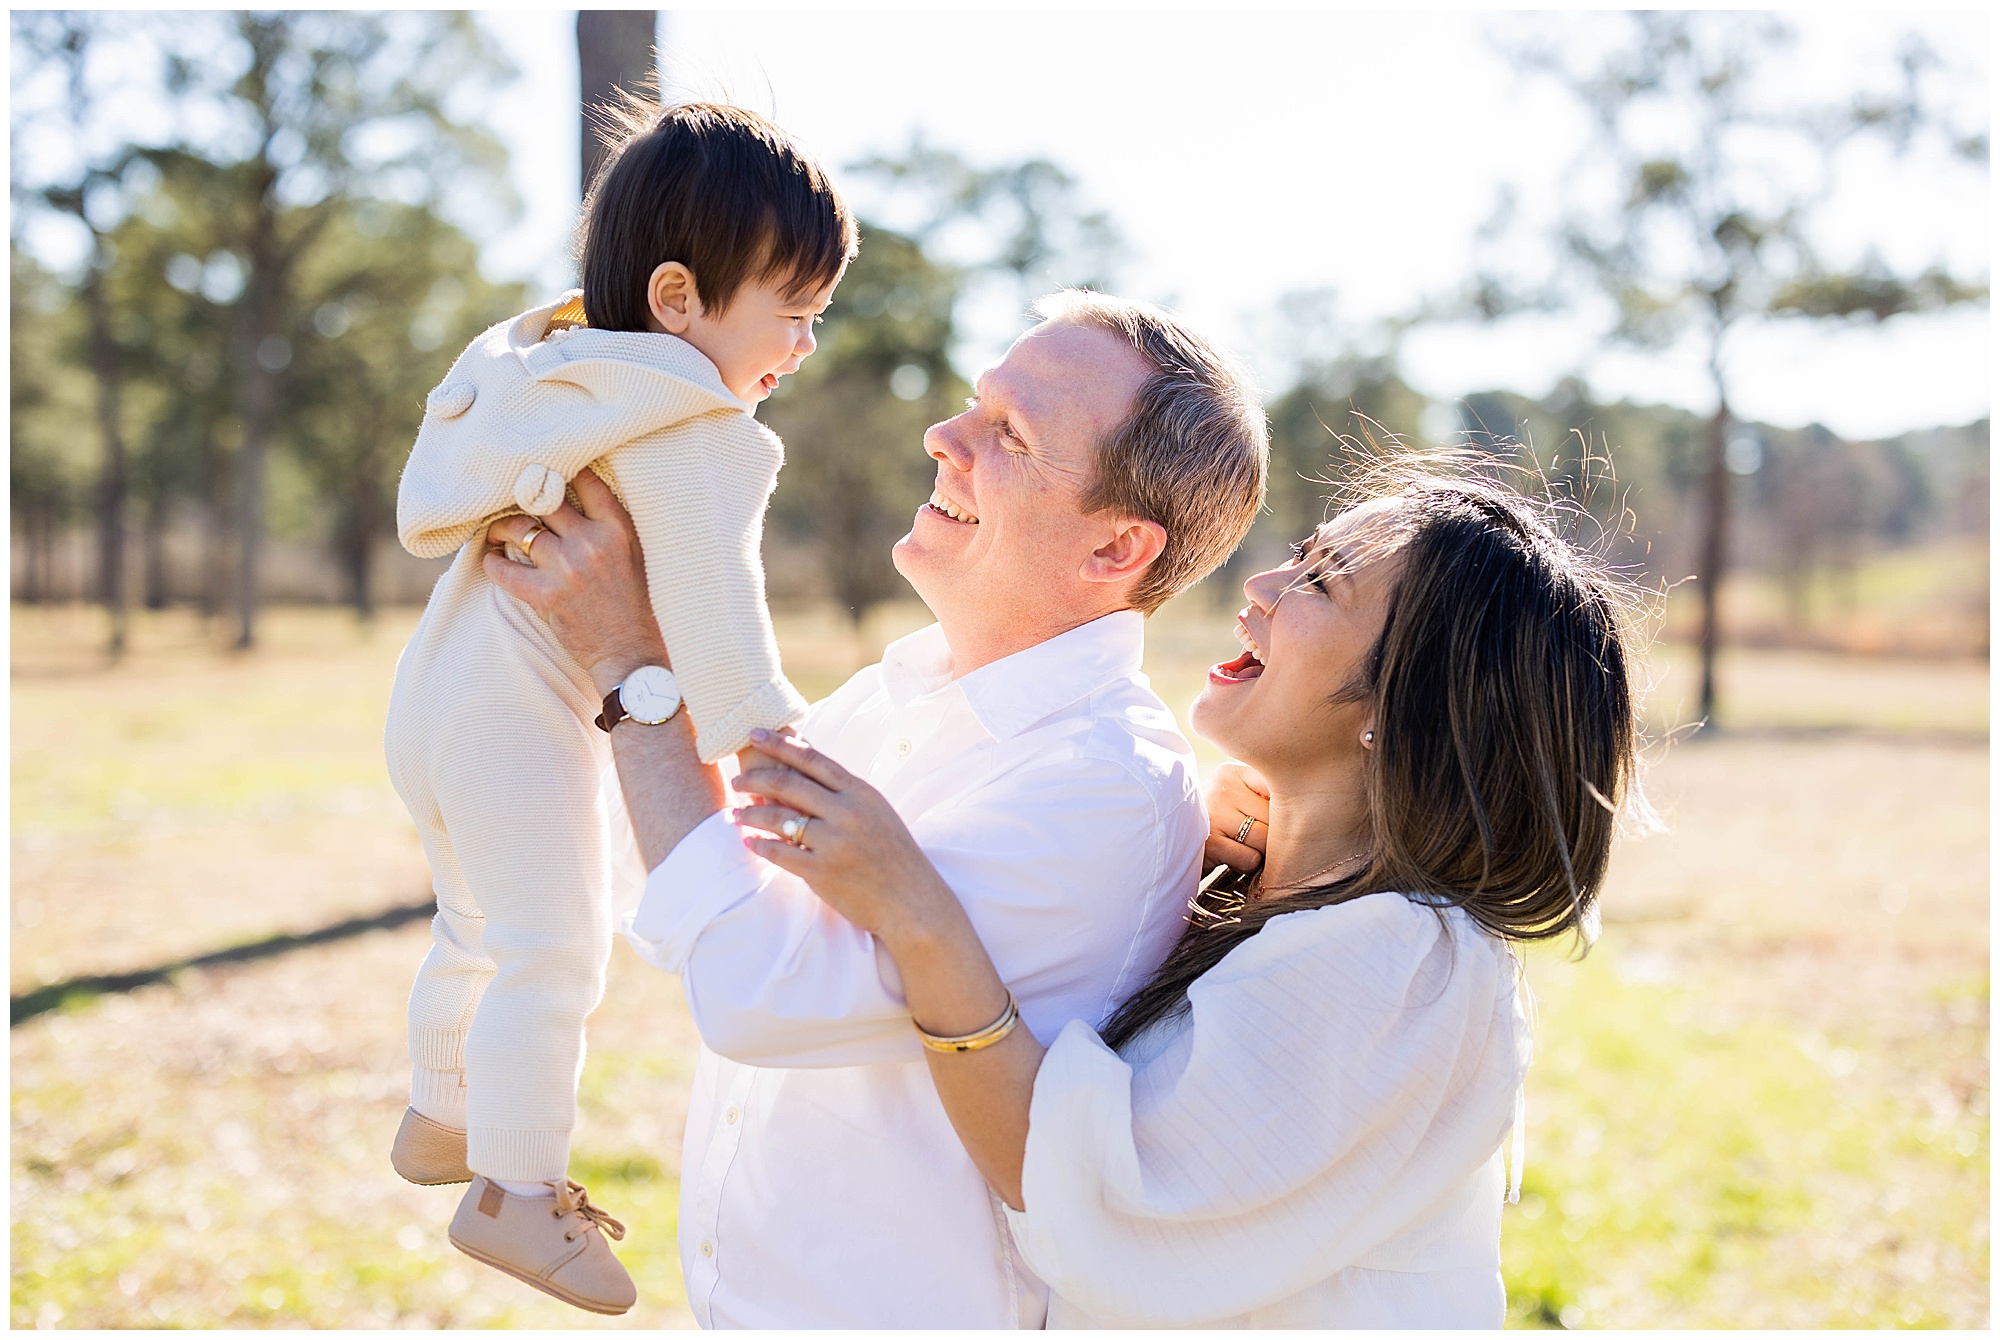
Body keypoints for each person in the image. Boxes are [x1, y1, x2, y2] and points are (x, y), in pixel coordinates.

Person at [482, 290, 1268, 1326]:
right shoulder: (893, 695)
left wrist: (633, 663)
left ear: (1116, 549)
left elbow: (756, 988)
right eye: (972, 406)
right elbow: (680, 888)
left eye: (1009, 434)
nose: (942, 436)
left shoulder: (1104, 789)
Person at [728, 468, 1644, 1327]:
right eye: (1304, 551)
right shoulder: (1292, 911)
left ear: (1403, 705)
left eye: (1321, 583)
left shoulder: (1397, 963)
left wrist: (920, 916)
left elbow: (1083, 1191)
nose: (1263, 583)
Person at [381, 102, 855, 1314]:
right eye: (792, 313)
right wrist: (773, 738)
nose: (804, 346)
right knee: (556, 948)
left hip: (434, 693)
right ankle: (514, 1191)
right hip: (511, 720)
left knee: (472, 918)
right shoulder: (692, 427)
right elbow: (714, 614)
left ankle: (442, 1113)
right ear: (680, 300)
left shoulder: (547, 378)